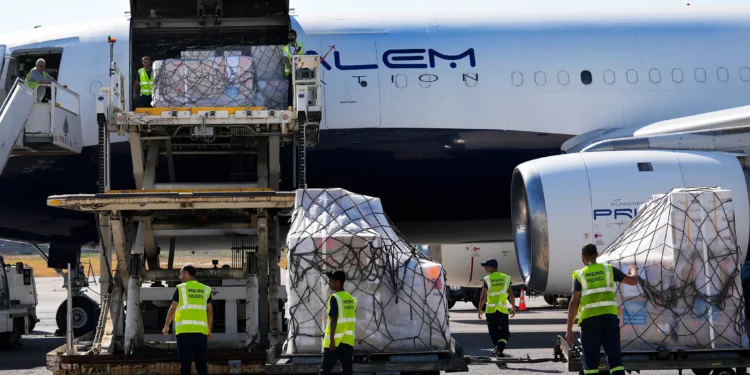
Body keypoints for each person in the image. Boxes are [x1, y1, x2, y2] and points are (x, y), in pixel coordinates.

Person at [565, 243, 639, 375]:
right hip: (609, 320)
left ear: (582, 257)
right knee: (615, 362)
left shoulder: (580, 275)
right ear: (597, 255)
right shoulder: (608, 269)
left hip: (589, 322)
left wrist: (569, 329)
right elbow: (633, 281)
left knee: (591, 364)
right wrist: (633, 271)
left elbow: (574, 302)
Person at [162, 264, 213, 375]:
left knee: (185, 363)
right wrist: (209, 329)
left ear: (186, 274)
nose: (180, 277)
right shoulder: (205, 289)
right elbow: (210, 311)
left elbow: (172, 309)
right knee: (201, 363)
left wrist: (166, 325)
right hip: (201, 333)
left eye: (181, 273)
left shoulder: (181, 289)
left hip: (184, 332)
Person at [320, 270, 357, 375]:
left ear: (338, 282)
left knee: (325, 371)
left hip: (334, 343)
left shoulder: (335, 298)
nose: (329, 283)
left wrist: (332, 340)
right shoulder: (352, 300)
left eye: (331, 281)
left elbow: (334, 319)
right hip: (348, 342)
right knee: (347, 371)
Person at [477, 258, 516, 357]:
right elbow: (511, 294)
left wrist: (480, 309)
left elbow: (483, 296)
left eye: (486, 266)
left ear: (490, 267)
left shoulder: (487, 279)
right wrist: (513, 307)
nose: (485, 268)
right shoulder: (506, 278)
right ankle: (498, 349)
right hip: (502, 311)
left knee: (494, 333)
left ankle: (497, 349)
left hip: (490, 311)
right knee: (505, 334)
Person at [283, 29, 304, 107]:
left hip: (299, 70)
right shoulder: (285, 48)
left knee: (300, 87)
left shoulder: (300, 46)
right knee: (291, 89)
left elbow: (302, 57)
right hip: (291, 72)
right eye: (289, 35)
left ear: (295, 36)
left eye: (292, 35)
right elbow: (286, 60)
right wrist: (292, 70)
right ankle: (290, 106)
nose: (291, 36)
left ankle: (300, 104)